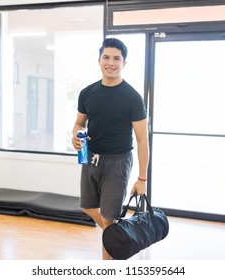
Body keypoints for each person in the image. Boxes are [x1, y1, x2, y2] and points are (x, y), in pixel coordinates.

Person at [72, 38, 149, 260]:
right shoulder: (87, 93)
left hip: (118, 162)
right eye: (106, 57)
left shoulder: (132, 97)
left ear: (124, 62)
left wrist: (142, 179)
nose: (111, 62)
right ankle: (118, 237)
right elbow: (79, 123)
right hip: (90, 158)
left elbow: (143, 140)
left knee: (109, 217)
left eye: (116, 58)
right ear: (99, 60)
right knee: (87, 207)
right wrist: (75, 136)